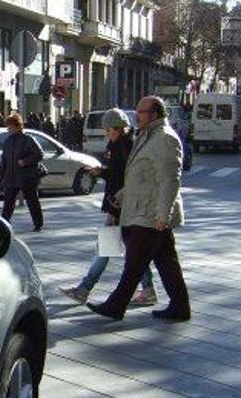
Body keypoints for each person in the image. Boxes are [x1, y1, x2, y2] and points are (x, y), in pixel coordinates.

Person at [87, 96, 191, 321]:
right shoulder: (147, 136)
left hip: (151, 214)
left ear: (154, 114)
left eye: (140, 112)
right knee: (166, 262)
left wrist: (164, 215)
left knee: (134, 263)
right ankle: (180, 307)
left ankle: (115, 306)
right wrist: (122, 195)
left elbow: (170, 180)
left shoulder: (164, 139)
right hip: (143, 208)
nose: (136, 116)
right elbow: (140, 176)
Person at [58, 108, 157, 306]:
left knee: (108, 250)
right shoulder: (118, 143)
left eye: (108, 129)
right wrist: (101, 171)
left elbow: (124, 179)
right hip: (118, 205)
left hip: (121, 206)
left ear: (119, 128)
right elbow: (115, 173)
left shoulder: (126, 146)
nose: (106, 133)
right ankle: (148, 289)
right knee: (130, 251)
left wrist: (112, 210)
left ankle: (84, 289)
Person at [0, 113, 44, 232]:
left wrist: (25, 161)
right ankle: (3, 225)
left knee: (32, 200)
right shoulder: (7, 141)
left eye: (10, 126)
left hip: (26, 176)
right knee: (8, 203)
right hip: (11, 176)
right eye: (8, 126)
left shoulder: (28, 140)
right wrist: (2, 177)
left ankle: (38, 224)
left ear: (17, 126)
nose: (8, 129)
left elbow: (39, 154)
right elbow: (4, 160)